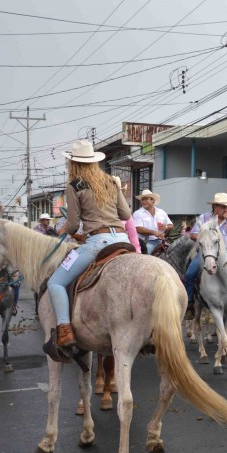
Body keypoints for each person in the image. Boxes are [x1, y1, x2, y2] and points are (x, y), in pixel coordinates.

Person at [45, 140, 132, 357]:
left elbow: (73, 225)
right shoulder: (111, 182)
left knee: (55, 282)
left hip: (97, 243)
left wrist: (63, 230)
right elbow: (126, 215)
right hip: (122, 239)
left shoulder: (75, 185)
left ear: (73, 163)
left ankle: (64, 330)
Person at [184, 192, 227, 315]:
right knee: (190, 274)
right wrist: (206, 237)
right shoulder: (204, 218)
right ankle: (189, 303)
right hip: (205, 253)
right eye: (223, 207)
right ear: (215, 207)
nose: (226, 210)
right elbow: (192, 235)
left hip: (225, 253)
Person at [132, 189, 172, 254]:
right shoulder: (137, 213)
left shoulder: (161, 212)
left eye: (146, 199)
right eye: (142, 199)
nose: (144, 201)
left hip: (162, 241)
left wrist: (166, 227)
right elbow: (138, 228)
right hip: (147, 242)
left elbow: (171, 225)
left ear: (153, 200)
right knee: (146, 259)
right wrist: (153, 232)